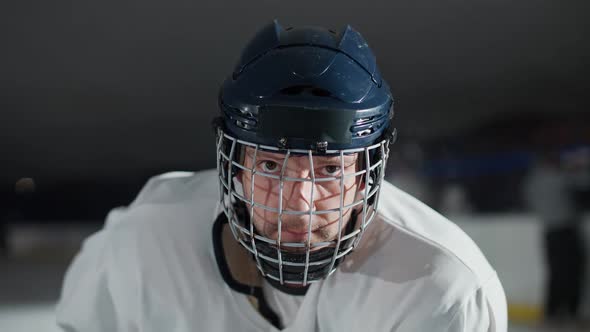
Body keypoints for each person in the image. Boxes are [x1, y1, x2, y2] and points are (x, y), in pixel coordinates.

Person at [55, 20, 507, 331]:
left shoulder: (443, 288)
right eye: (271, 165)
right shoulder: (146, 240)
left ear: (367, 174)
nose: (299, 203)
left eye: (330, 169)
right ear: (234, 164)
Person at [523, 149, 586, 324]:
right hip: (565, 231)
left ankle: (553, 311)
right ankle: (570, 312)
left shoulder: (532, 181)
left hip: (550, 232)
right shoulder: (557, 177)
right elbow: (582, 181)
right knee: (572, 272)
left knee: (556, 272)